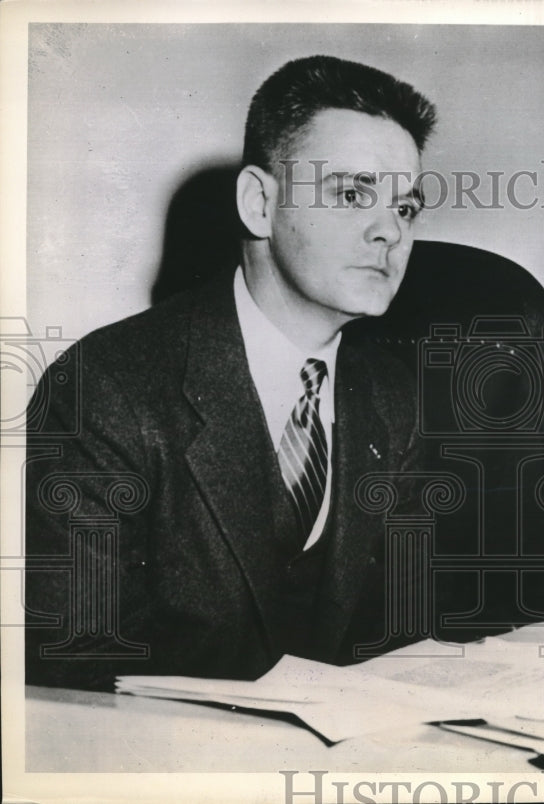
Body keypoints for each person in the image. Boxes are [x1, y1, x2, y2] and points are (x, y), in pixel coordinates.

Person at [24, 55, 436, 690]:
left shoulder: (392, 398)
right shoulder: (105, 390)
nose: (390, 231)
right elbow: (76, 675)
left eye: (406, 208)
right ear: (258, 203)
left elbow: (400, 646)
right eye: (353, 194)